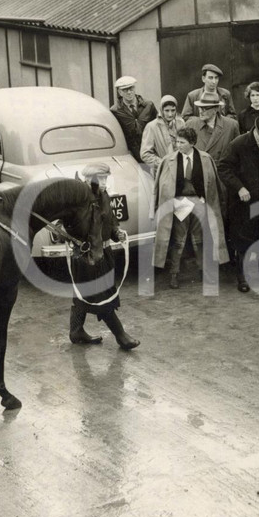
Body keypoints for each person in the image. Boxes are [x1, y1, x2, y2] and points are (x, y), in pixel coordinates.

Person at [68, 163, 139, 350]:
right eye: (102, 179)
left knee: (84, 294)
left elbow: (110, 219)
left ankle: (76, 331)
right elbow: (63, 226)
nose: (105, 182)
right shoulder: (79, 199)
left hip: (104, 253)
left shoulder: (103, 195)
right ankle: (121, 335)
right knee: (102, 297)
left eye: (106, 178)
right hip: (88, 255)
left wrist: (117, 232)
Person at [152, 126, 229, 289]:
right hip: (180, 203)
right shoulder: (169, 160)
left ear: (192, 143)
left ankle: (203, 270)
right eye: (177, 142)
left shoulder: (205, 159)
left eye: (182, 142)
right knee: (178, 241)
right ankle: (174, 273)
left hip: (200, 202)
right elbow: (160, 187)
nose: (178, 145)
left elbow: (214, 184)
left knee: (200, 239)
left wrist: (211, 203)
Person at [218, 116, 259, 291]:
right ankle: (244, 277)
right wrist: (239, 188)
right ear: (258, 133)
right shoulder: (238, 144)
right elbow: (223, 168)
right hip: (244, 203)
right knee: (244, 240)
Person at [110, 75, 157, 163]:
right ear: (120, 92)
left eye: (131, 88)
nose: (129, 92)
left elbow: (157, 125)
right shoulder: (115, 111)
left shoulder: (148, 105)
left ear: (134, 88)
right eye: (125, 90)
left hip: (150, 151)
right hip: (130, 154)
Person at [185, 91, 239, 162]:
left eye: (205, 108)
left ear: (215, 109)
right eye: (200, 108)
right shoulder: (190, 125)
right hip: (198, 170)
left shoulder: (231, 126)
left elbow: (238, 154)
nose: (201, 111)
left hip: (221, 171)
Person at [140, 94, 181, 174]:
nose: (170, 114)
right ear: (161, 110)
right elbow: (145, 154)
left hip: (180, 170)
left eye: (173, 110)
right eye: (167, 110)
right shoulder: (152, 126)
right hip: (162, 172)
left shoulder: (181, 123)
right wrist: (163, 163)